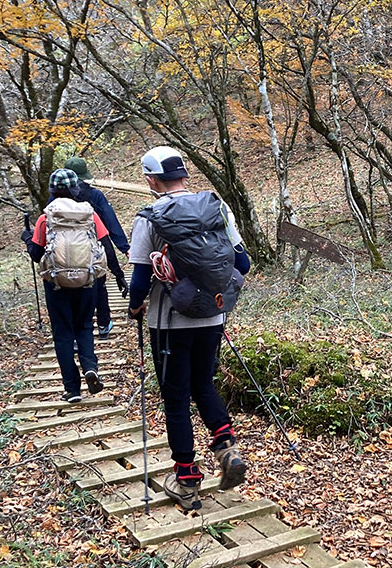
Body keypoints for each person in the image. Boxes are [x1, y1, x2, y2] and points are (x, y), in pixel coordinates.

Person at [126, 146, 249, 509]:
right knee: (203, 383)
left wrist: (135, 307)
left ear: (150, 179)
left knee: (176, 397)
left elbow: (138, 279)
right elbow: (241, 262)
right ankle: (226, 447)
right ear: (184, 175)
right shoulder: (216, 207)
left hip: (168, 323)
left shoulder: (150, 216)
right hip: (213, 315)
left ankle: (186, 479)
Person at [24, 169, 129, 403]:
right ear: (76, 189)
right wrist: (119, 275)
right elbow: (105, 246)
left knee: (62, 335)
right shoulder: (89, 215)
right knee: (84, 326)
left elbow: (36, 253)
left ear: (52, 190)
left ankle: (72, 389)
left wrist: (26, 237)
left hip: (56, 284)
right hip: (87, 282)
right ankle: (90, 367)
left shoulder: (45, 217)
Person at [63, 156, 130, 338]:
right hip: (93, 250)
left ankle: (78, 332)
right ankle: (103, 324)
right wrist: (124, 248)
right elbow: (110, 223)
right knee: (98, 284)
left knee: (71, 290)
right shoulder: (95, 196)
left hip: (65, 256)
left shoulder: (55, 202)